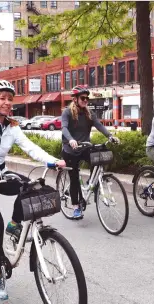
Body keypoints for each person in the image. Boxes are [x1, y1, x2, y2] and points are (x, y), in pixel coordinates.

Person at [0, 79, 66, 301]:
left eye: (10, 98)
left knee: (31, 187)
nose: (7, 102)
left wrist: (52, 161)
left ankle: (15, 224)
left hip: (0, 173)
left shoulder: (12, 125)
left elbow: (30, 147)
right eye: (2, 98)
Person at [61, 85, 119, 219]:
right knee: (74, 178)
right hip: (70, 149)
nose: (85, 100)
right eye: (83, 98)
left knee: (98, 158)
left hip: (84, 147)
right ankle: (76, 207)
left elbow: (98, 125)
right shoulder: (67, 112)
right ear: (75, 99)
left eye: (87, 98)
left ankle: (89, 184)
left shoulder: (88, 113)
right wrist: (70, 140)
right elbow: (64, 128)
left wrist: (110, 136)